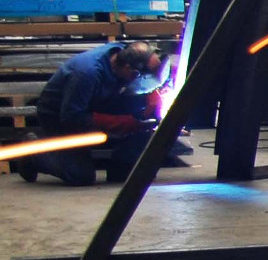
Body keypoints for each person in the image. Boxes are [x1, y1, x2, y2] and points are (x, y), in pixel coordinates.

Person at [14, 41, 165, 186]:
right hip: (59, 115)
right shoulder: (87, 73)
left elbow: (150, 72)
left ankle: (121, 167)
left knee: (142, 123)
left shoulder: (126, 54)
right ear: (128, 69)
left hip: (96, 101)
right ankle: (33, 152)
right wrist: (120, 123)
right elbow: (72, 117)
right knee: (80, 175)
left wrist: (153, 93)